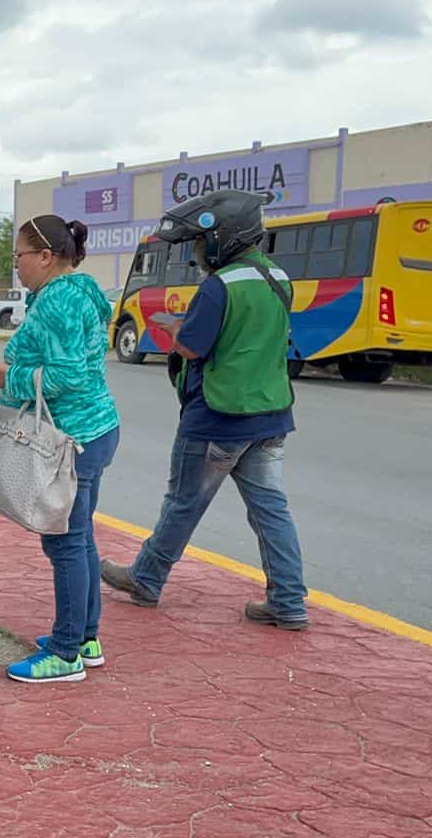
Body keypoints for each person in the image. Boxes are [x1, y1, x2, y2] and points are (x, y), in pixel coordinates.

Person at [100, 189, 309, 631]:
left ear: (225, 238)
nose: (196, 251)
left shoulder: (220, 285)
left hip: (217, 417)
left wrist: (177, 330)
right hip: (270, 416)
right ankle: (289, 601)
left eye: (200, 242)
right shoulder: (278, 278)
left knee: (183, 503)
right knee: (271, 510)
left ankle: (146, 579)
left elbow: (193, 349)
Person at [0, 215, 121, 684]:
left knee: (63, 541)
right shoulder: (80, 291)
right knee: (80, 537)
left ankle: (65, 655)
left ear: (45, 256)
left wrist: (8, 378)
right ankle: (85, 637)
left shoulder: (58, 301)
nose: (16, 266)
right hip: (94, 429)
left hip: (69, 439)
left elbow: (66, 376)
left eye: (18, 256)